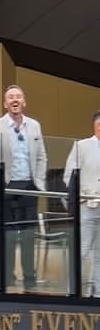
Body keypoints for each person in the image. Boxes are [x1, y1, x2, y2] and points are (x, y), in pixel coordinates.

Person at [0, 86, 47, 293]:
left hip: (29, 185)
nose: (15, 100)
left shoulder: (35, 126)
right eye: (11, 97)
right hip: (6, 186)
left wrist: (40, 181)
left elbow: (41, 156)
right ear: (5, 104)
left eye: (18, 97)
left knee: (29, 235)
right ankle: (7, 278)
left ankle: (30, 279)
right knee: (8, 235)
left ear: (24, 102)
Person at [65, 113, 100, 297]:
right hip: (86, 205)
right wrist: (80, 198)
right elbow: (69, 176)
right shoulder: (81, 146)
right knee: (82, 250)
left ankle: (98, 291)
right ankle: (74, 290)